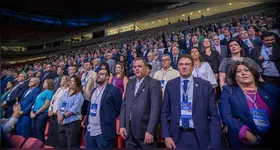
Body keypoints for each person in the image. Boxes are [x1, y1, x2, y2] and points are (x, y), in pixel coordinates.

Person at [161, 54, 221, 148]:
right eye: (181, 64)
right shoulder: (170, 85)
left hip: (199, 136)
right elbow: (165, 112)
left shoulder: (205, 85)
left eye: (187, 64)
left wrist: (214, 142)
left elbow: (213, 115)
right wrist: (166, 136)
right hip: (176, 136)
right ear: (177, 67)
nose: (184, 67)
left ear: (192, 67)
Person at [219, 61, 280, 147]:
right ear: (234, 77)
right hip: (245, 141)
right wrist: (247, 135)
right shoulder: (228, 91)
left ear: (253, 73)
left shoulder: (271, 89)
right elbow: (226, 116)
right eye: (238, 71)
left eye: (246, 70)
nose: (243, 73)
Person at [119, 57, 162, 148]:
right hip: (129, 132)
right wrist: (122, 125)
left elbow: (156, 109)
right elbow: (124, 106)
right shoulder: (130, 84)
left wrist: (150, 131)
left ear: (146, 69)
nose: (137, 69)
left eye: (139, 66)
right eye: (135, 67)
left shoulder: (154, 83)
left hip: (145, 132)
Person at [83, 69, 122, 148]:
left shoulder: (113, 90)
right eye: (98, 74)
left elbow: (118, 109)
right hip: (90, 130)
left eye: (101, 74)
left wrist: (108, 118)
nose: (98, 75)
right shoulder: (94, 90)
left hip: (103, 131)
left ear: (107, 77)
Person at [57, 75, 84, 148]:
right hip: (61, 121)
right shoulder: (66, 93)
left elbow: (74, 109)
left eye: (73, 81)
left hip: (72, 122)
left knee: (71, 144)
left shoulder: (79, 95)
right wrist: (59, 116)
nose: (71, 83)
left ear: (77, 83)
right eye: (70, 81)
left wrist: (63, 116)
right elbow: (59, 105)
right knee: (62, 144)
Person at [46, 75, 70, 147]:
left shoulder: (68, 90)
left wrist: (57, 111)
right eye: (62, 79)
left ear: (67, 81)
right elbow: (53, 100)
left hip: (59, 114)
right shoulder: (59, 89)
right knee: (51, 131)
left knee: (57, 133)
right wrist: (50, 109)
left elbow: (64, 103)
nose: (61, 80)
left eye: (63, 79)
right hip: (52, 113)